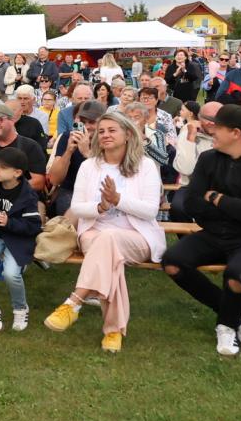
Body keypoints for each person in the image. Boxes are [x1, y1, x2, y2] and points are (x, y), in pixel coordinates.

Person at [163, 104, 241, 356]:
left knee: (238, 275)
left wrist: (217, 198)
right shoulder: (209, 159)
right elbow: (192, 204)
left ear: (235, 133)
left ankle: (226, 325)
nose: (210, 131)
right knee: (172, 263)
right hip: (215, 233)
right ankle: (232, 313)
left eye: (217, 127)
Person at [42, 110, 164, 353]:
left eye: (112, 130)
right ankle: (113, 331)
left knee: (109, 242)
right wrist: (101, 207)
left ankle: (74, 302)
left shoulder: (146, 166)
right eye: (101, 131)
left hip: (137, 236)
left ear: (128, 134)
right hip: (93, 232)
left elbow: (151, 211)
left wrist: (118, 200)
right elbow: (77, 207)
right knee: (109, 254)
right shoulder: (89, 166)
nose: (105, 135)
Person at [0, 146, 43, 333]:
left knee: (11, 273)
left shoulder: (28, 195)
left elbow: (34, 226)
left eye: (3, 167)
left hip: (19, 240)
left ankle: (20, 308)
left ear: (17, 173)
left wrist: (9, 223)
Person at [46, 101, 107, 217]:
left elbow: (109, 176)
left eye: (92, 122)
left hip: (101, 193)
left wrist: (87, 153)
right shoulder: (68, 137)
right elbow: (54, 180)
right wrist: (69, 151)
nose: (87, 127)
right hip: (71, 190)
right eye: (83, 122)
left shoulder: (108, 139)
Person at [0, 100, 47, 192]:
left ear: (12, 120)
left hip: (23, 197)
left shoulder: (30, 146)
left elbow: (38, 182)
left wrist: (9, 191)